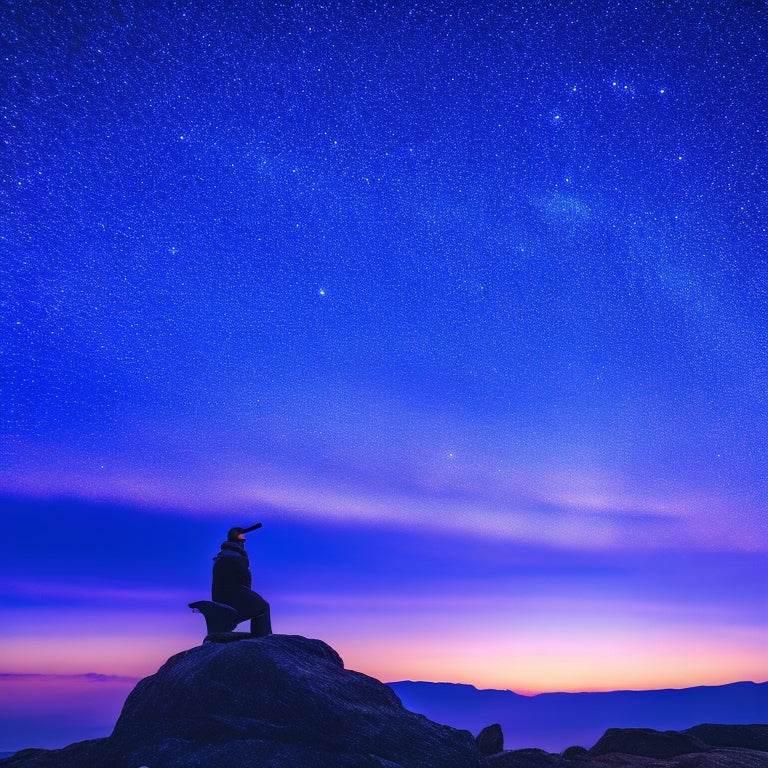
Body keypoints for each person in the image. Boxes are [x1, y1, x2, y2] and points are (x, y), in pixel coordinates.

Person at [212, 526, 272, 636]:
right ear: (237, 540)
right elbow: (243, 581)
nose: (244, 540)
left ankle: (260, 638)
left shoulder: (225, 556)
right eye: (241, 537)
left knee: (259, 604)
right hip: (231, 595)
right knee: (263, 607)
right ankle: (263, 638)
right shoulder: (233, 557)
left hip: (224, 595)